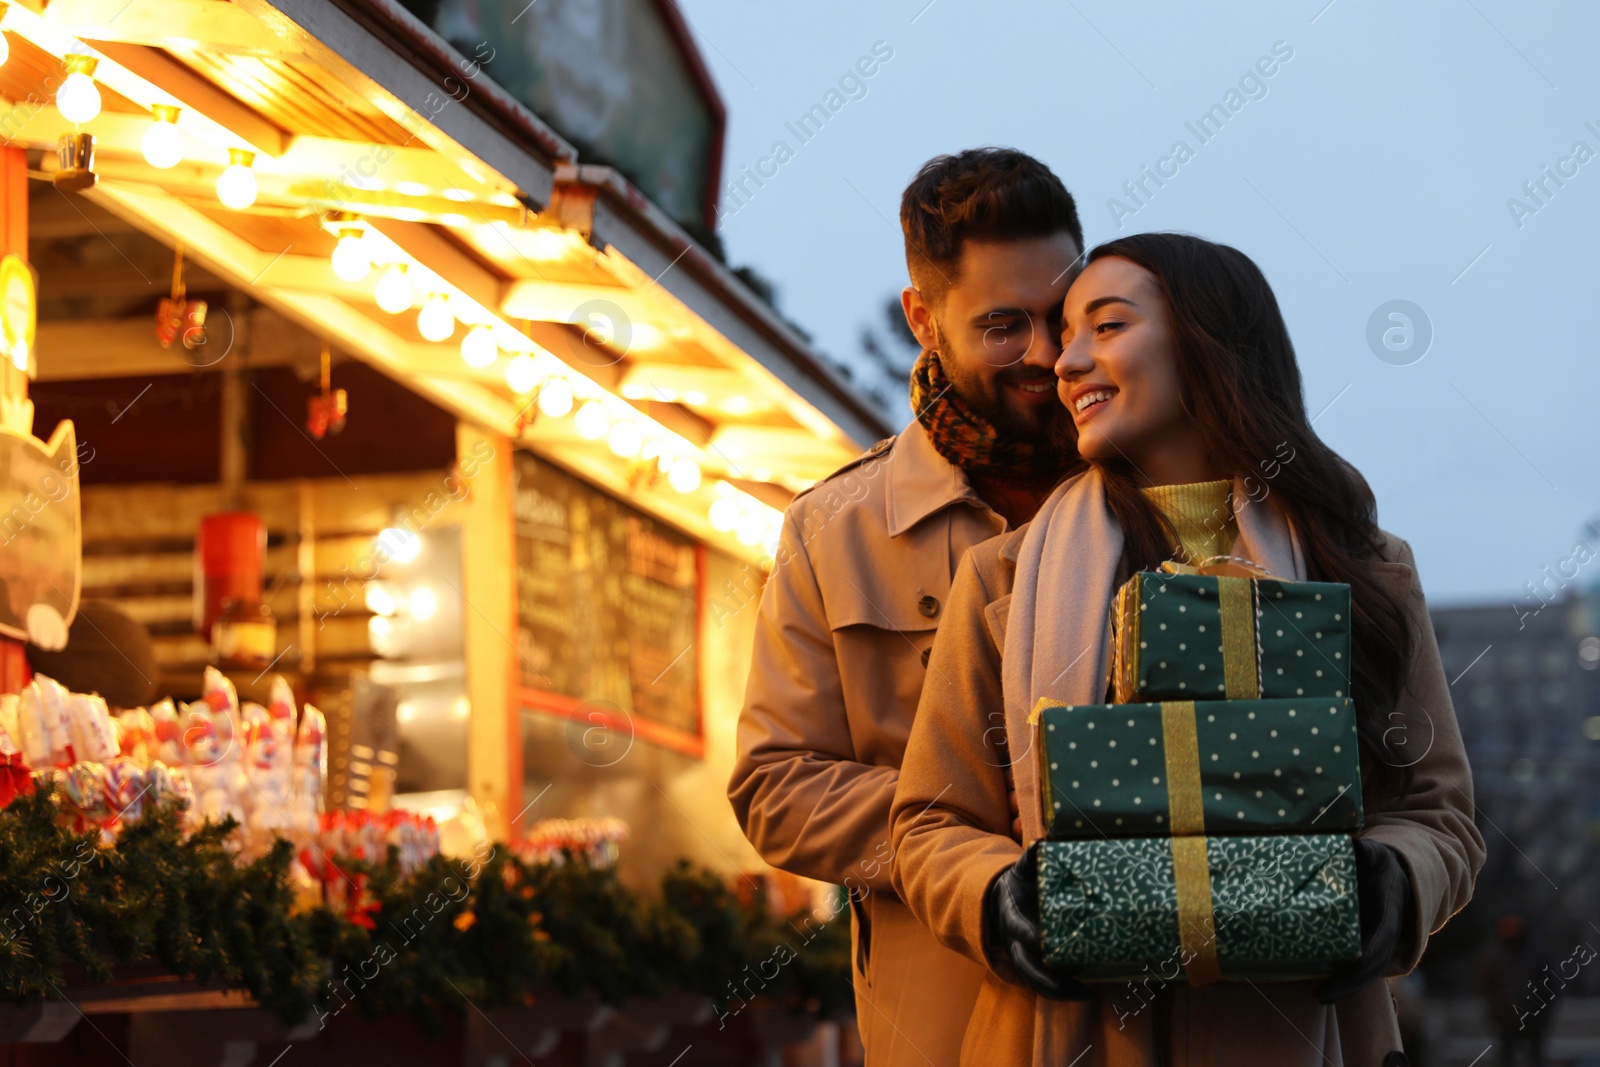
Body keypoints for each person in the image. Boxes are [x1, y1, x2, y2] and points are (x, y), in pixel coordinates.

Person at [889, 233, 1485, 1065]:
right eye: (1069, 332)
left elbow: (1441, 815)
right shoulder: (1004, 577)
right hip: (1068, 1034)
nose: (1064, 360)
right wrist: (995, 896)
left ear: (1209, 340)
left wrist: (1391, 882)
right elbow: (928, 819)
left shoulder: (1364, 564)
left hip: (1304, 1030)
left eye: (1107, 325)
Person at [728, 147, 1084, 1066]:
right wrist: (977, 835)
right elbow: (774, 786)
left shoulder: (1163, 496)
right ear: (923, 319)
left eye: (1063, 315)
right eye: (1005, 325)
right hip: (946, 1027)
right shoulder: (830, 528)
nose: (1044, 353)